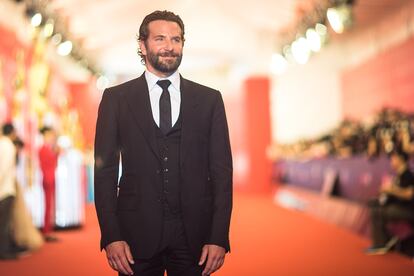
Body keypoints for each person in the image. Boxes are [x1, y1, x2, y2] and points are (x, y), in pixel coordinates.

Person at [94, 10, 233, 276]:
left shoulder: (209, 100)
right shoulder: (116, 99)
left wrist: (218, 237)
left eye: (176, 39)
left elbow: (222, 173)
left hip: (194, 235)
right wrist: (111, 236)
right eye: (160, 39)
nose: (169, 46)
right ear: (142, 45)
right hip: (135, 235)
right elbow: (105, 173)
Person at [366, 150, 414, 255]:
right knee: (375, 206)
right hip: (397, 207)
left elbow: (409, 194)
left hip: (407, 210)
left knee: (381, 211)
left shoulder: (408, 175)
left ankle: (381, 243)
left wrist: (391, 190)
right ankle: (384, 240)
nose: (391, 161)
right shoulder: (398, 176)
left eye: (393, 158)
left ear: (401, 160)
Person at [0, 123, 18, 259]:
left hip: (4, 188)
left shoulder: (2, 145)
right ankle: (4, 251)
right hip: (6, 189)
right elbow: (4, 168)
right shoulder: (9, 146)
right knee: (5, 223)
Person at [38, 126, 59, 242]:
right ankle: (46, 231)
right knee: (48, 205)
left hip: (51, 178)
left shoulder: (49, 148)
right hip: (47, 179)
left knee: (50, 205)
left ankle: (49, 230)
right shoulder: (43, 149)